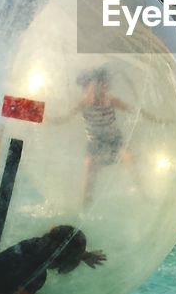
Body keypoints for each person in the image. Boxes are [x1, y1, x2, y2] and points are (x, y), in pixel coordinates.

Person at [60, 67, 158, 207]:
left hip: (114, 140)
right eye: (103, 85)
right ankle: (85, 208)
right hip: (95, 143)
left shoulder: (112, 101)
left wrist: (157, 120)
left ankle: (145, 197)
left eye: (107, 86)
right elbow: (65, 118)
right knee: (89, 169)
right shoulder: (83, 103)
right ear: (94, 86)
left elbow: (136, 111)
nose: (106, 89)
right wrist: (48, 119)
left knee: (128, 159)